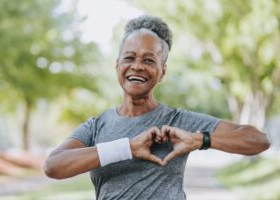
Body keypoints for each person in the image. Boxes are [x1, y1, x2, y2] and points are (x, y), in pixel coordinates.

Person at [44, 15, 270, 199]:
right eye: (129, 58)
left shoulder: (179, 122)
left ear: (162, 72)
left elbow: (258, 140)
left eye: (149, 60)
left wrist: (199, 140)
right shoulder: (96, 126)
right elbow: (53, 166)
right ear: (117, 66)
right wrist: (129, 147)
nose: (137, 66)